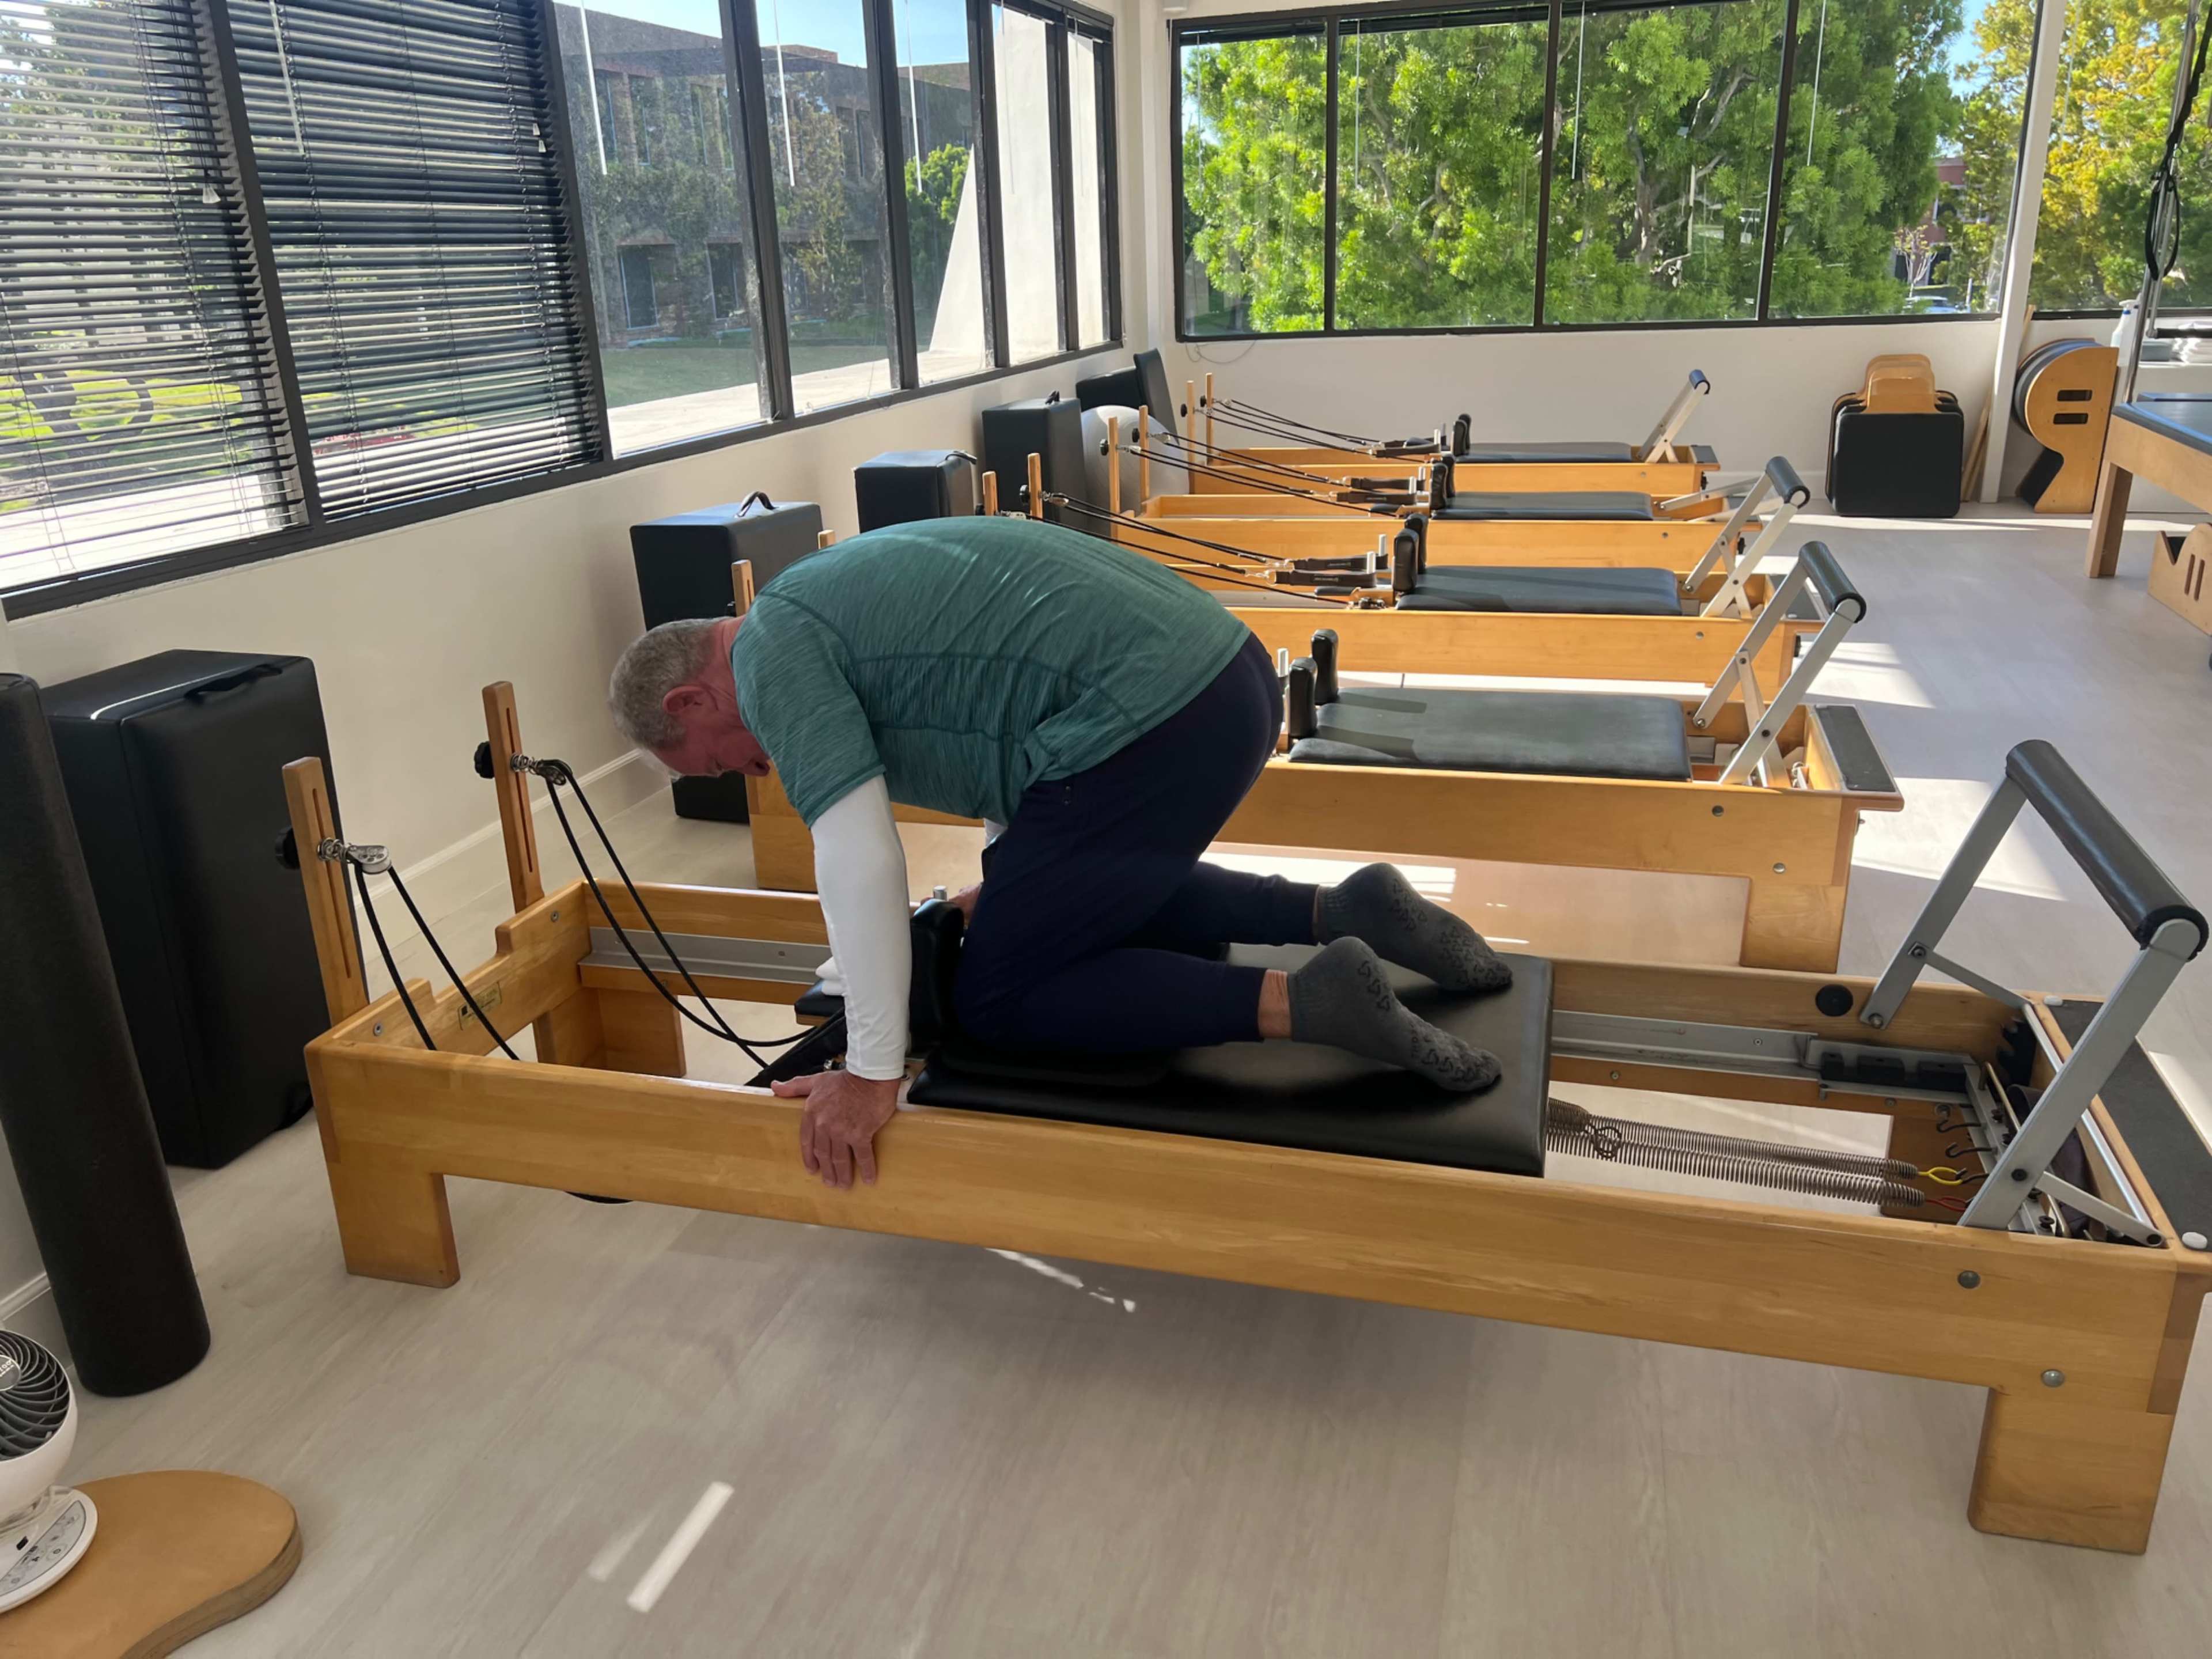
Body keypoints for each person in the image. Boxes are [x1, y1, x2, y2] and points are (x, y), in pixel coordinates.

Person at [608, 514, 1510, 1190]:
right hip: (1225, 680)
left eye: (714, 763)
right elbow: (1016, 742)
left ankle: (1311, 1002)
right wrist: (1006, 890)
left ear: (690, 701)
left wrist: (871, 1072)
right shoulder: (819, 593)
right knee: (1074, 901)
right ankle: (1336, 911)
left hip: (1147, 721)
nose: (746, 772)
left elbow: (856, 857)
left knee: (1002, 995)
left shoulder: (769, 655)